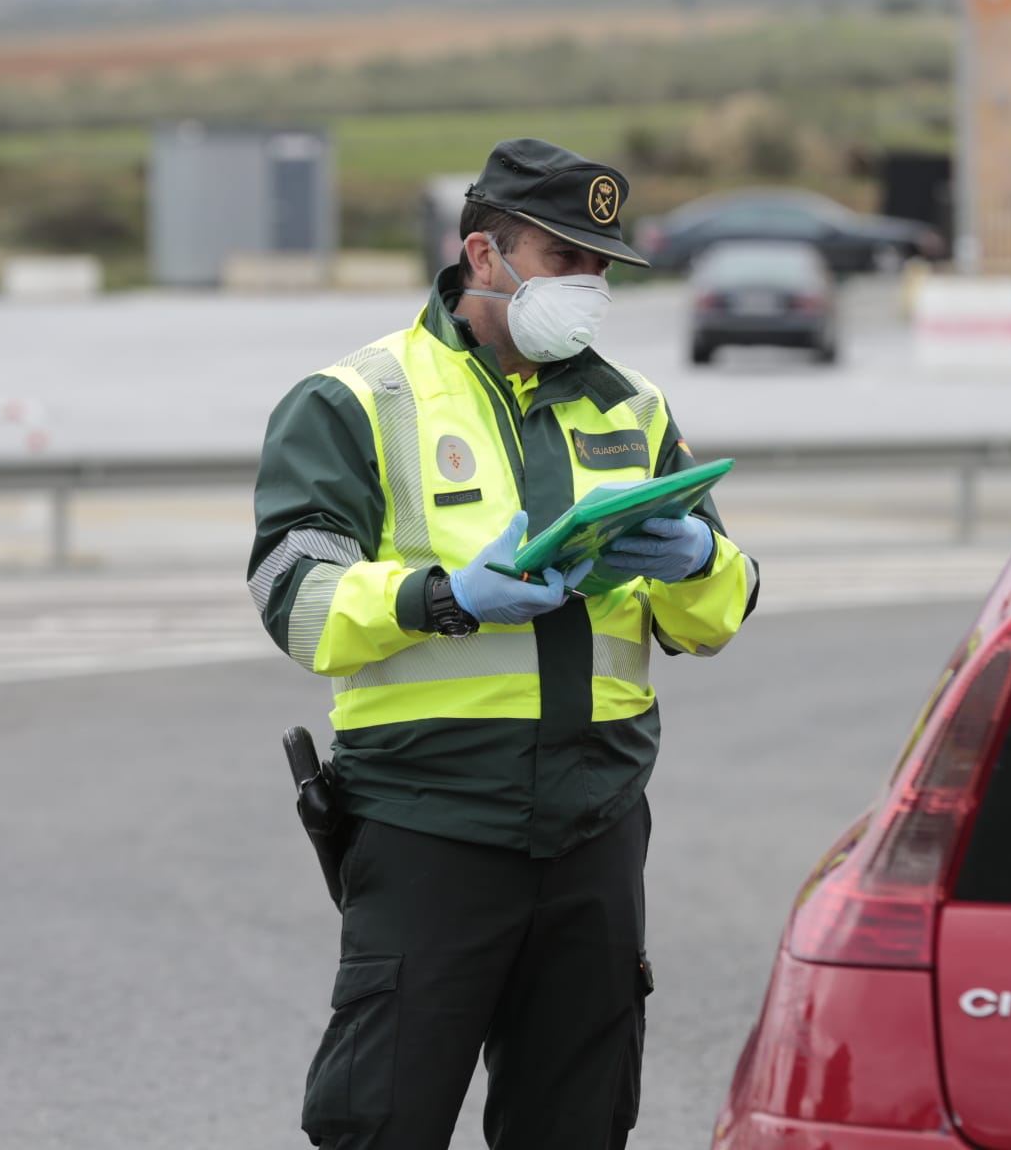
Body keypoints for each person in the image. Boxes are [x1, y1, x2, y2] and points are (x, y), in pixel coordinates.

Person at [248, 138, 759, 1150]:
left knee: (577, 1123)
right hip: (427, 821)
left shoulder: (635, 404)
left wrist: (699, 556)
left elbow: (710, 620)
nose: (589, 285)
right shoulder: (358, 398)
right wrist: (445, 596)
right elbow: (294, 596)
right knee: (383, 1121)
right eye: (565, 258)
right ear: (483, 254)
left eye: (602, 264)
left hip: (596, 825)